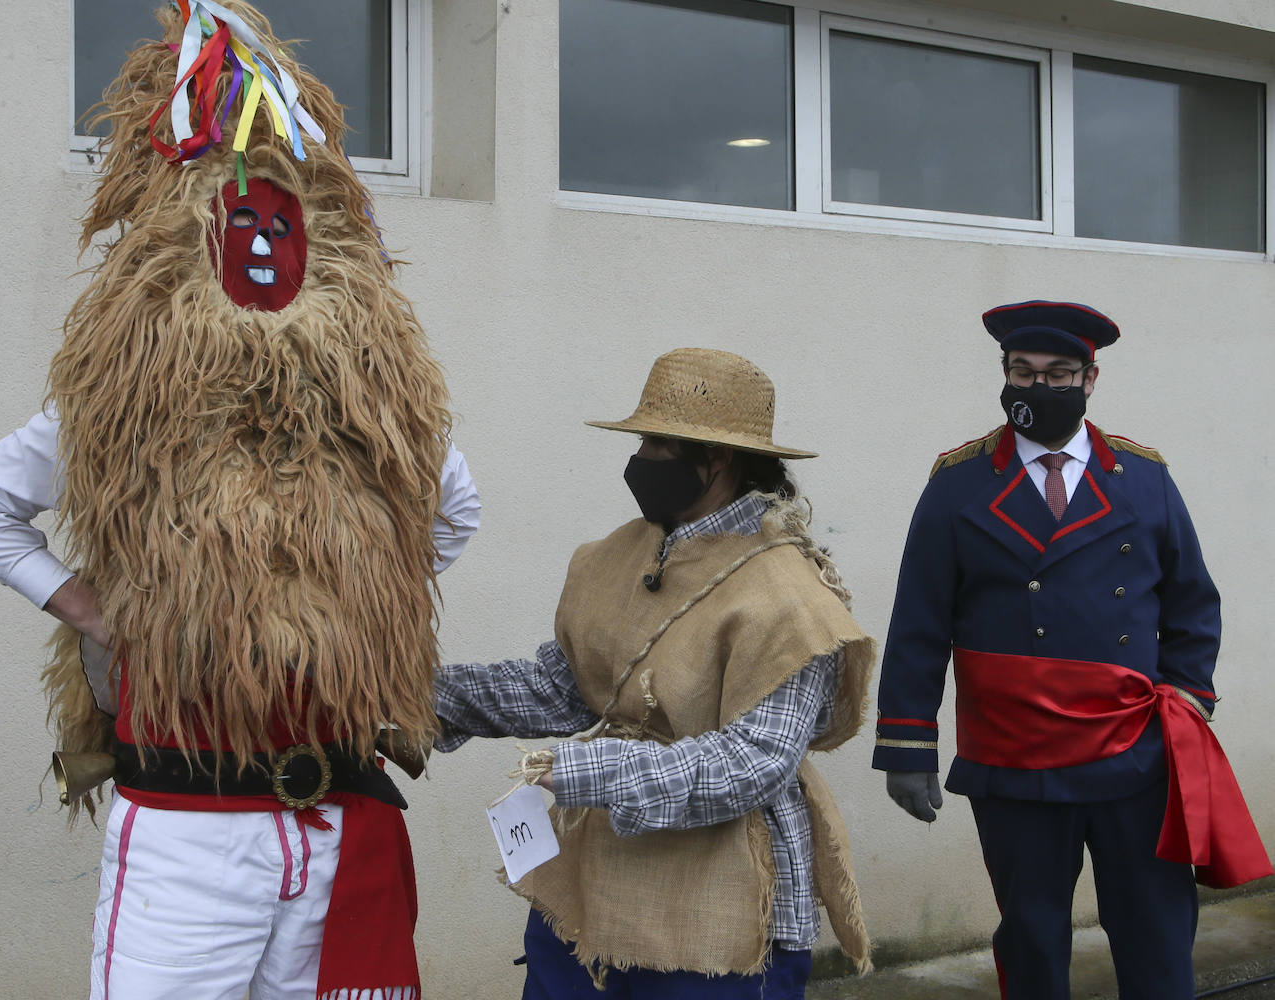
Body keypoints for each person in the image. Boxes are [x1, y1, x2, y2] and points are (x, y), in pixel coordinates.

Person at [0, 3, 479, 998]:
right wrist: (95, 609)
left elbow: (453, 507)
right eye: (243, 223)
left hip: (330, 822)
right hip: (188, 826)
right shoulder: (120, 408)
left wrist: (353, 595)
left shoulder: (370, 413)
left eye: (284, 223)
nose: (265, 246)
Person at [434, 348, 877, 999]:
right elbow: (560, 691)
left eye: (653, 442)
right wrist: (420, 692)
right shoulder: (620, 553)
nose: (639, 458)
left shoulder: (792, 595)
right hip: (594, 886)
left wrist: (594, 770)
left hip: (720, 914)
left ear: (716, 458)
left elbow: (754, 763)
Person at [872, 300, 1271, 999]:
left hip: (1135, 756)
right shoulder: (957, 482)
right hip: (1013, 759)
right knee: (1031, 935)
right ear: (1004, 375)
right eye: (1022, 373)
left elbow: (1192, 602)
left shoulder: (1145, 479)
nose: (1039, 390)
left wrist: (1186, 698)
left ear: (1091, 380)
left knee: (1155, 928)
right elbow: (920, 623)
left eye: (1059, 375)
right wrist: (908, 746)